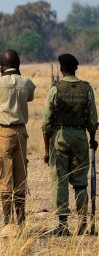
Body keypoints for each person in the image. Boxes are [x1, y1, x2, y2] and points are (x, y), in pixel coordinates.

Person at [0, 49, 35, 235]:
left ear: (2, 65)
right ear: (18, 64)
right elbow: (30, 95)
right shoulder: (26, 83)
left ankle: (7, 222)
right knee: (20, 178)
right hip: (21, 133)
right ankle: (22, 221)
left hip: (2, 132)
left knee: (3, 177)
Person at [42, 53, 98, 236]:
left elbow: (46, 123)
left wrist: (46, 149)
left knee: (60, 181)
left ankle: (63, 225)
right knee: (81, 182)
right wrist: (92, 138)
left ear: (61, 69)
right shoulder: (87, 89)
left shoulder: (55, 89)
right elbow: (92, 119)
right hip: (81, 137)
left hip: (60, 137)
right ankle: (83, 221)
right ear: (75, 69)